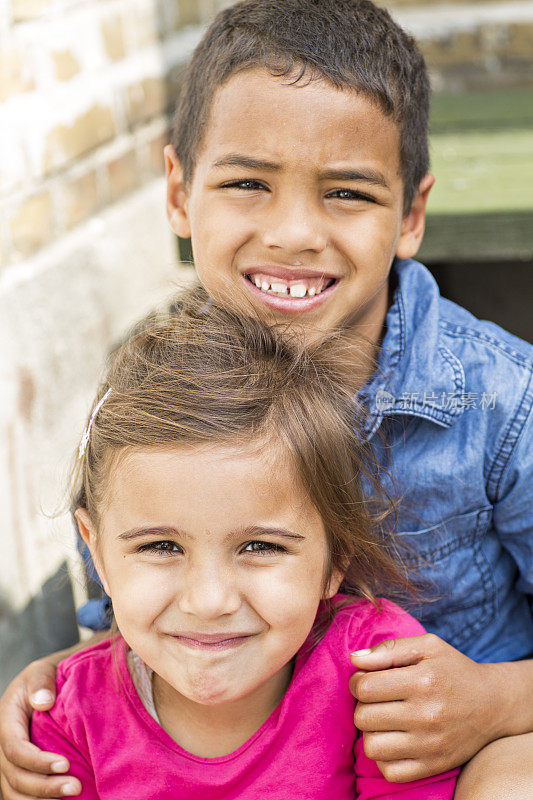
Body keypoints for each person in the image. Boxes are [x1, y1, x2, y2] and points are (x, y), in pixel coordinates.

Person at [1, 1, 532, 798]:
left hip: (455, 753)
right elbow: (130, 622)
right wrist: (50, 684)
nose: (291, 233)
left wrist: (495, 701)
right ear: (179, 193)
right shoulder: (145, 408)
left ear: (410, 215)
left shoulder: (500, 402)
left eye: (346, 194)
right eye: (247, 183)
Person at [31, 295, 458, 799]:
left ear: (335, 559)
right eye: (162, 546)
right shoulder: (69, 720)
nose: (209, 602)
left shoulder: (378, 674)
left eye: (260, 546)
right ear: (96, 552)